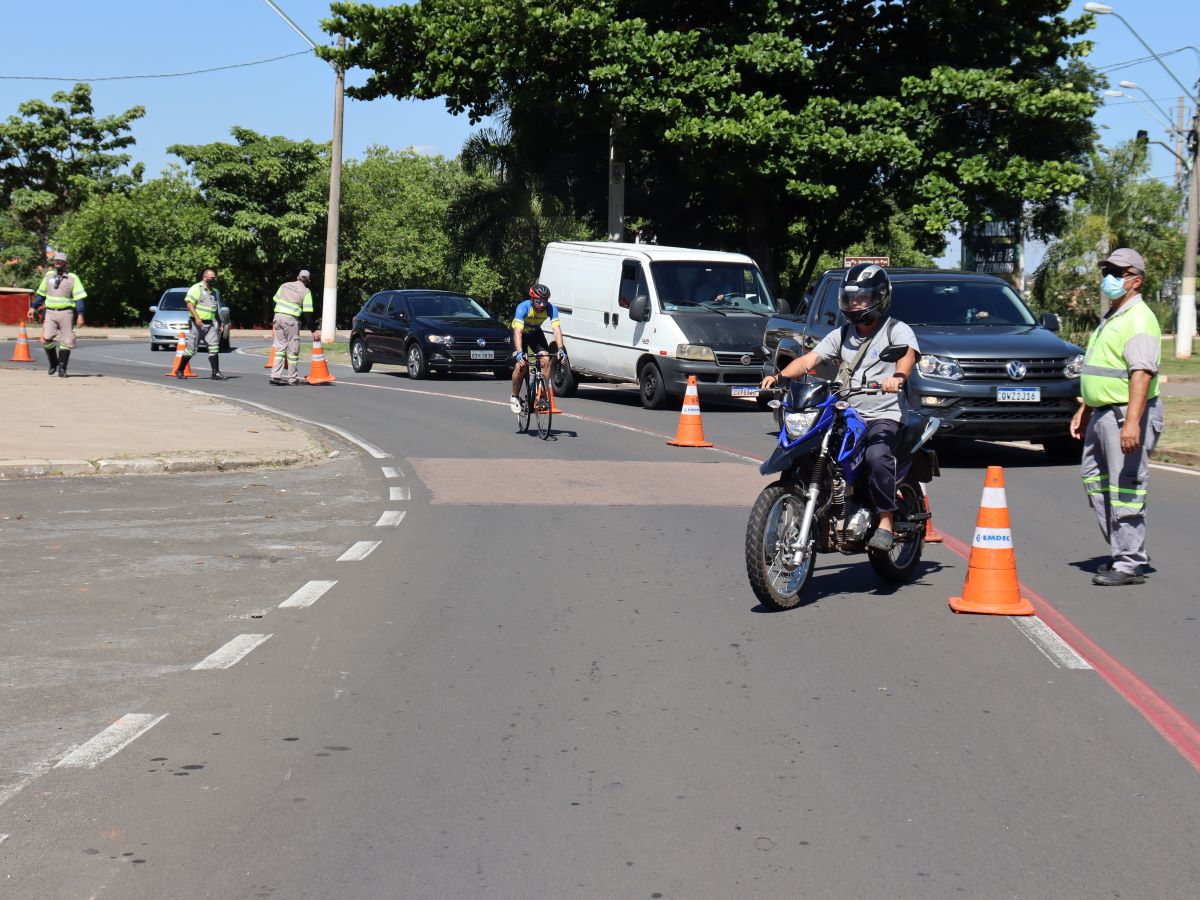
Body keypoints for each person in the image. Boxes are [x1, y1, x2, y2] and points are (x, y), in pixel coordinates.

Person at [760, 264, 919, 551]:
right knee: (816, 447)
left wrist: (897, 377)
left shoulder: (897, 330)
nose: (855, 303)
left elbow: (907, 356)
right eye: (850, 297)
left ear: (880, 297)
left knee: (876, 455)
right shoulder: (842, 334)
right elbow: (809, 360)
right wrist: (780, 376)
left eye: (862, 297)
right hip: (847, 411)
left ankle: (885, 520)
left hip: (882, 414)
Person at [1069, 248, 1163, 586]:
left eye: (1118, 272)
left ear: (1136, 281)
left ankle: (1128, 563)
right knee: (1094, 480)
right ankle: (1125, 548)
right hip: (1102, 413)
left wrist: (1133, 422)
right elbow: (1102, 371)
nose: (1109, 277)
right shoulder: (1113, 316)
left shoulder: (1139, 319)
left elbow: (1141, 375)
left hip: (1126, 414)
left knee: (1126, 488)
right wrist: (1086, 408)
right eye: (1107, 270)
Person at [509, 283, 567, 414]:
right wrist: (519, 353)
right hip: (520, 334)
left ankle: (541, 395)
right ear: (532, 299)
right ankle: (514, 396)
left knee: (546, 359)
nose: (541, 304)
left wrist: (561, 349)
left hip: (535, 332)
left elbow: (556, 330)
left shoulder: (551, 309)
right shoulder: (523, 307)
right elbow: (518, 332)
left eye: (544, 301)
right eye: (538, 301)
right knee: (520, 366)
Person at [29, 251, 86, 378]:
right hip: (50, 312)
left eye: (60, 261)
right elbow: (41, 294)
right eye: (56, 261)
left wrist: (80, 314)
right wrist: (33, 307)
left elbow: (79, 298)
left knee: (66, 340)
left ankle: (62, 368)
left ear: (66, 263)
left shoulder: (73, 278)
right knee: (46, 338)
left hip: (66, 313)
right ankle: (53, 363)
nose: (58, 263)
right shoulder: (49, 276)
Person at [269, 270, 318, 386]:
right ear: (308, 281)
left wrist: (275, 318)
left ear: (297, 277)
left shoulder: (284, 285)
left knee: (280, 348)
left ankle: (275, 376)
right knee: (293, 350)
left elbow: (274, 301)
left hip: (277, 317)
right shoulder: (306, 292)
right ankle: (292, 378)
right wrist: (313, 330)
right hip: (291, 320)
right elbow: (307, 313)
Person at [179, 268, 227, 380]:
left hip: (210, 324)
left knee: (214, 347)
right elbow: (189, 304)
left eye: (215, 278)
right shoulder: (197, 288)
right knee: (191, 349)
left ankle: (216, 373)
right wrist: (197, 318)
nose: (214, 279)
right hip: (197, 324)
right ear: (204, 278)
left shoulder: (215, 292)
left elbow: (215, 309)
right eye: (211, 278)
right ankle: (180, 370)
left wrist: (220, 322)